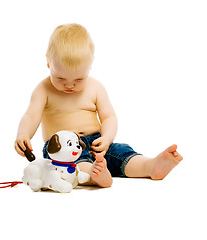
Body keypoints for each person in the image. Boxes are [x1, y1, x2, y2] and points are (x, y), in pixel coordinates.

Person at [15, 23, 183, 188]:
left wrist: (107, 138)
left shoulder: (95, 87)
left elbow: (109, 116)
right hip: (62, 150)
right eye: (60, 78)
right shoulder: (43, 90)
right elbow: (31, 116)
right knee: (75, 166)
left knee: (121, 153)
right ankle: (95, 176)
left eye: (79, 79)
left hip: (97, 142)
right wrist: (24, 135)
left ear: (90, 66)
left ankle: (150, 166)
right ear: (48, 63)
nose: (69, 85)